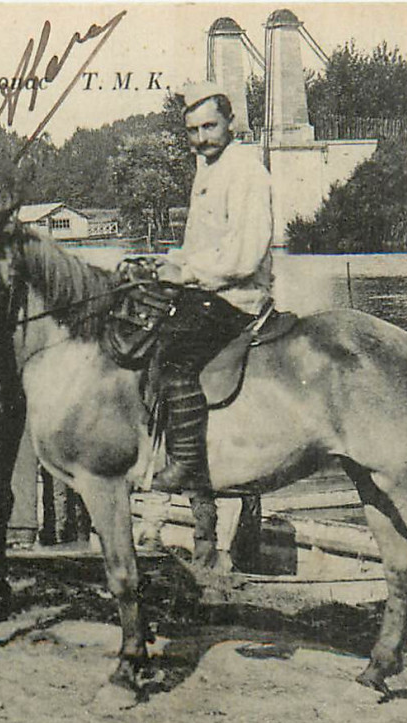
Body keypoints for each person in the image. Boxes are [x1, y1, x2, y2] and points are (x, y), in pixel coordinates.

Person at [149, 80, 275, 492]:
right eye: (193, 131)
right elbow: (198, 247)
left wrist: (185, 274)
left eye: (210, 127)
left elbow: (244, 256)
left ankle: (185, 462)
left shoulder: (247, 172)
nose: (201, 139)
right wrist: (166, 263)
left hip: (237, 297)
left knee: (173, 352)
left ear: (230, 123)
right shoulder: (208, 169)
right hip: (209, 289)